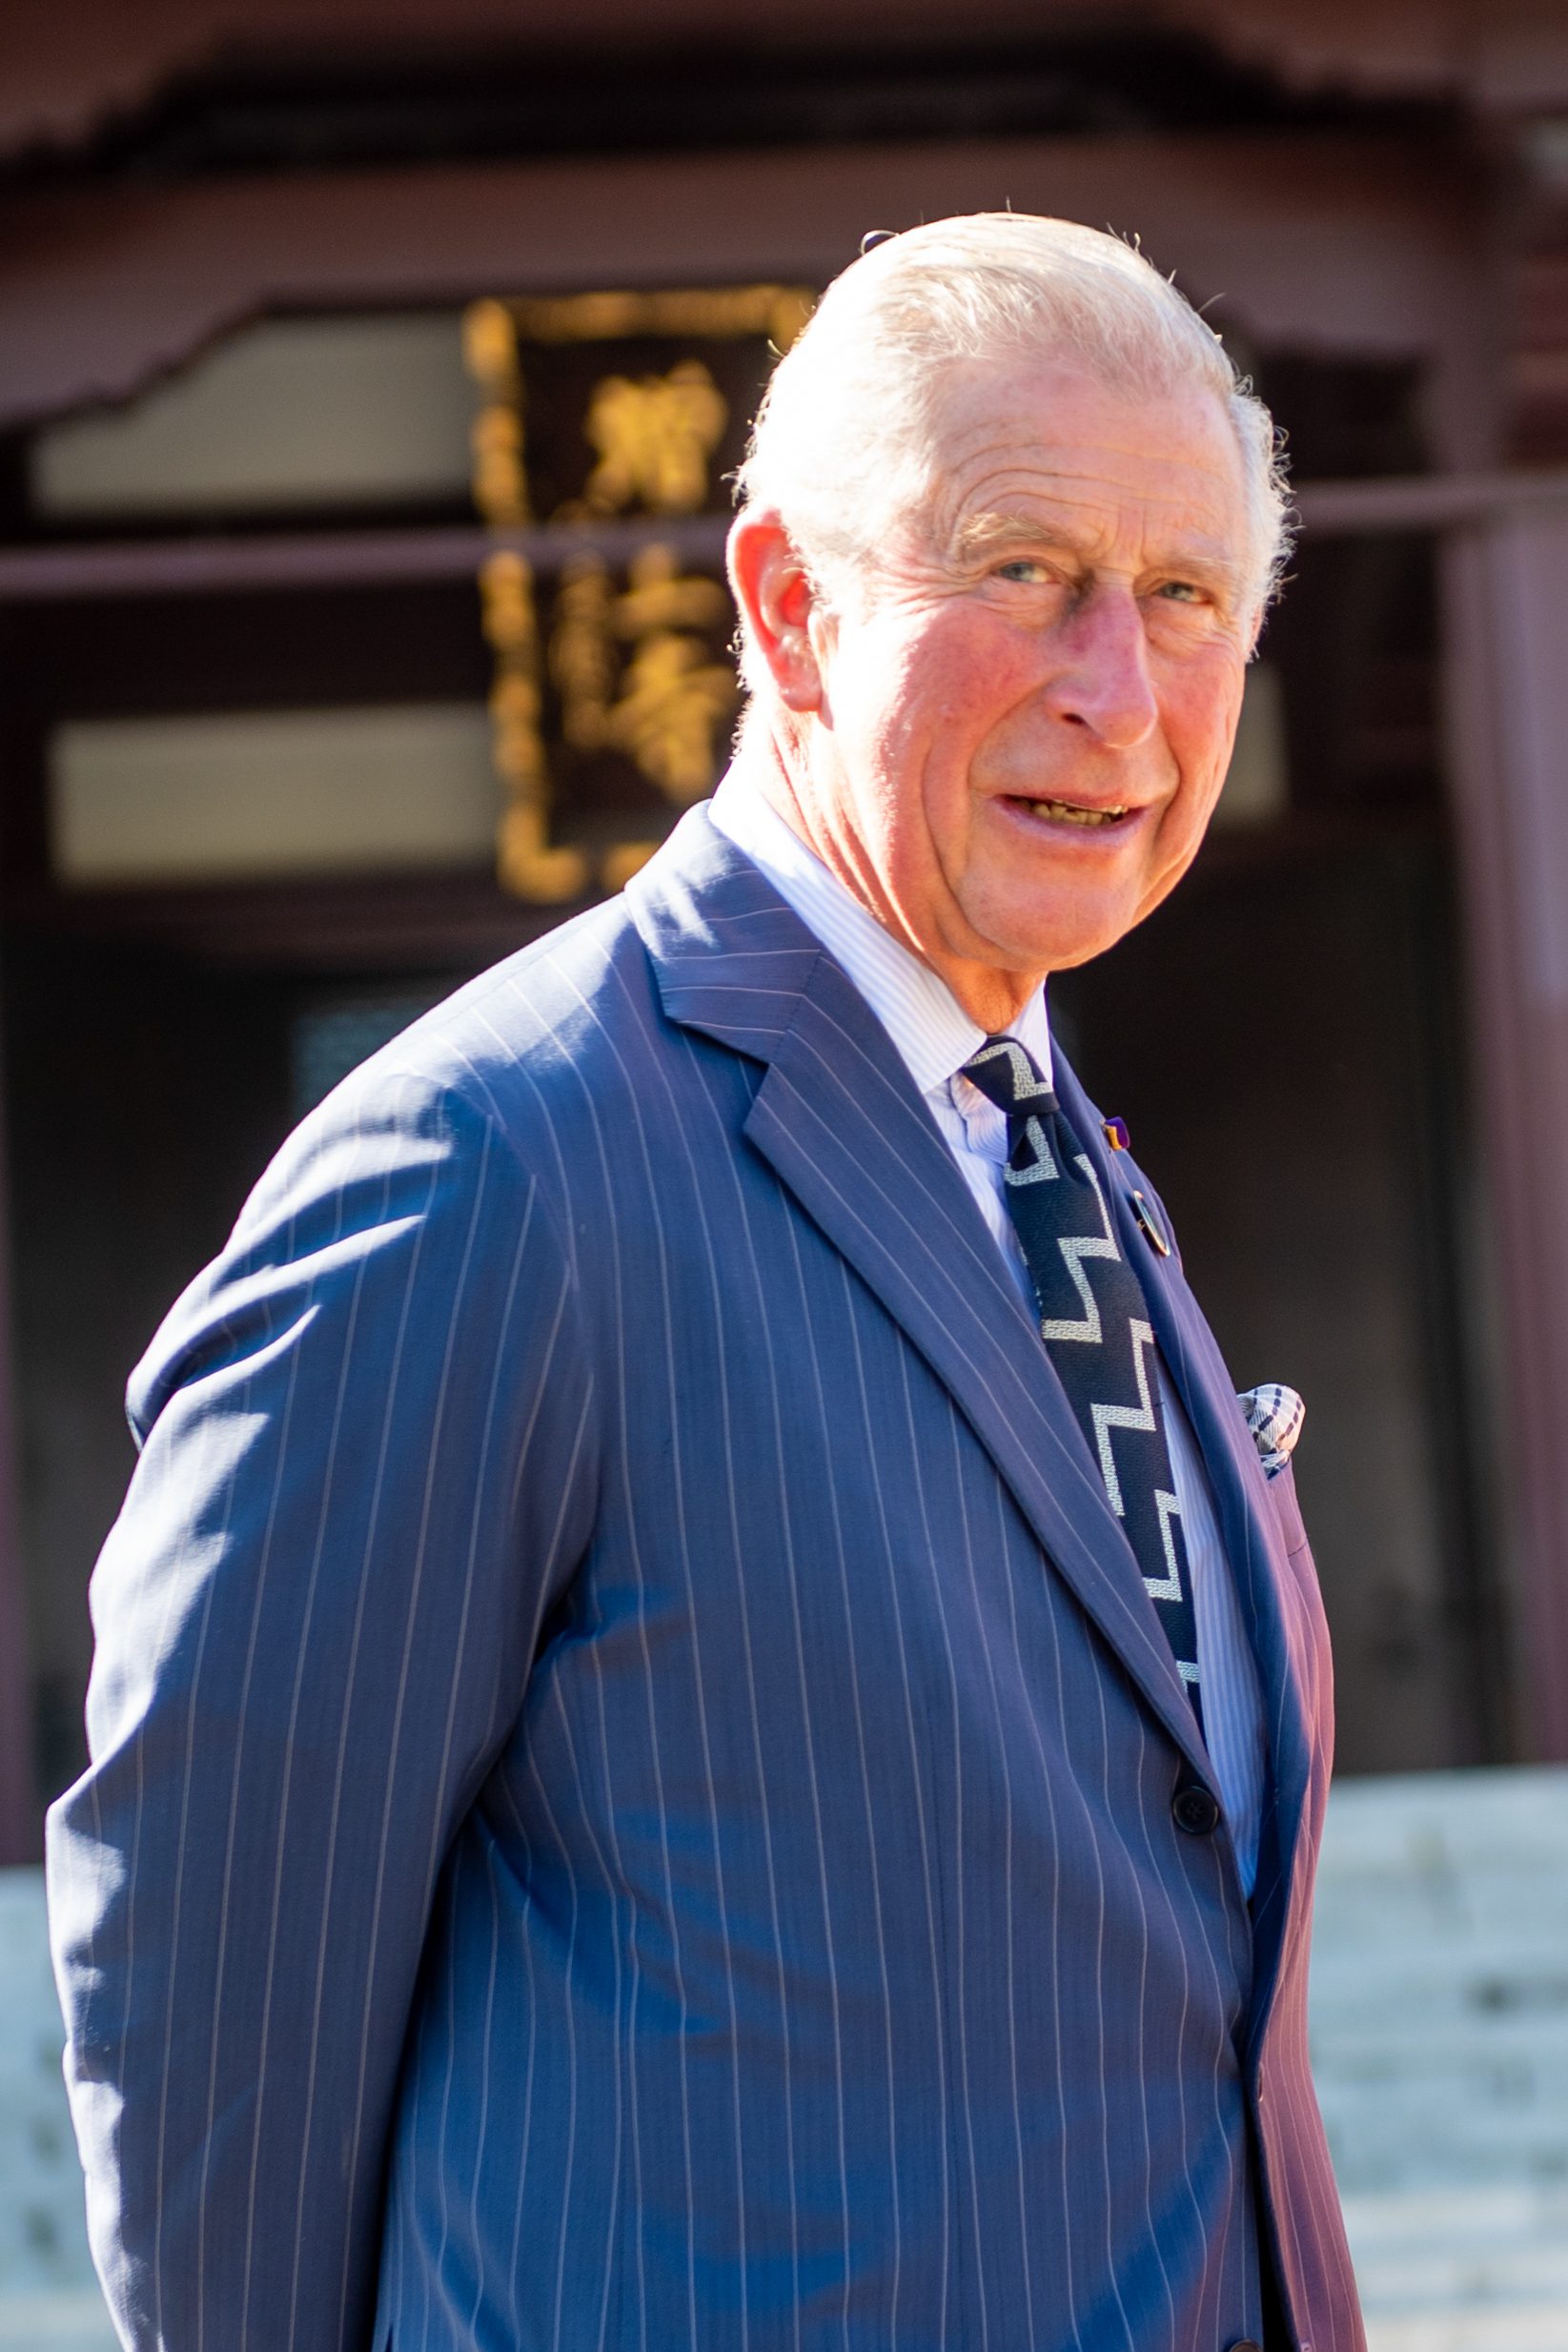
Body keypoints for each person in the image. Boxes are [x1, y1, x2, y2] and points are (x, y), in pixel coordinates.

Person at [47, 214, 1363, 2352]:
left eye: (1186, 596)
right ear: (787, 604)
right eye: (1020, 568)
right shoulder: (492, 1163)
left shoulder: (1059, 1158)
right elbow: (221, 1984)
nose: (1114, 685)